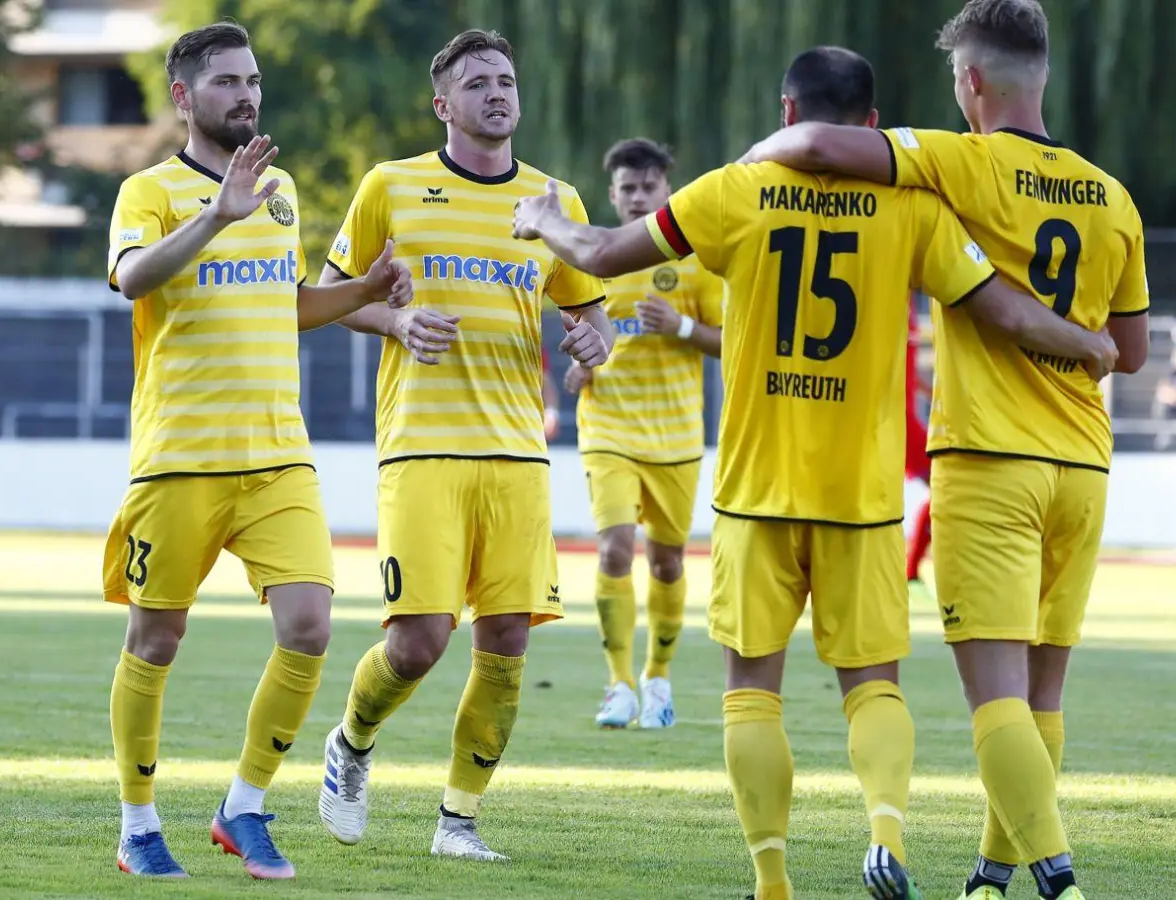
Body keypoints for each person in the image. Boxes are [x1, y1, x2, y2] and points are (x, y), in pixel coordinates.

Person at [514, 45, 1116, 900]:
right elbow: (1002, 308)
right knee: (872, 685)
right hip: (862, 498)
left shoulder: (735, 190)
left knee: (751, 689)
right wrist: (1088, 343)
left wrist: (545, 220)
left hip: (757, 489)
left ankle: (772, 880)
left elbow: (607, 251)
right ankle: (886, 834)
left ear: (788, 117)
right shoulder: (909, 208)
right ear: (871, 126)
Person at [739, 3, 1150, 898]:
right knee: (1042, 698)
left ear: (971, 82)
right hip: (1082, 462)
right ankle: (990, 880)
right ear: (1041, 74)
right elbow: (1134, 349)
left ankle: (1060, 883)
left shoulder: (960, 159)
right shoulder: (1112, 195)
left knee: (995, 698)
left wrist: (755, 157)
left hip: (991, 461)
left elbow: (818, 147)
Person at [100, 22, 412, 881]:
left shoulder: (280, 190)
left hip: (277, 455)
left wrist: (367, 290)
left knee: (310, 627)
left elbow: (289, 303)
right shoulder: (148, 190)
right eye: (229, 81)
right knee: (155, 639)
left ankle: (244, 805)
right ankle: (137, 824)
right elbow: (131, 278)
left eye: (254, 80)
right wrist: (213, 215)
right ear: (183, 97)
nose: (247, 94)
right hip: (178, 458)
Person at [317, 28, 613, 862]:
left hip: (519, 453)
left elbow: (589, 311)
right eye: (478, 82)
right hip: (420, 448)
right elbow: (334, 296)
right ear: (444, 104)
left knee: (507, 643)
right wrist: (400, 318)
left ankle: (458, 822)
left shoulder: (557, 200)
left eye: (507, 80)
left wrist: (595, 344)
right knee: (418, 642)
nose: (498, 92)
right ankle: (351, 742)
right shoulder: (392, 187)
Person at [571, 138, 724, 731]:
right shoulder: (594, 262)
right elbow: (580, 334)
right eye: (628, 189)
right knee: (613, 548)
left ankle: (659, 677)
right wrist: (579, 364)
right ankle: (619, 684)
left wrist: (683, 324)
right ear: (613, 195)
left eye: (648, 187)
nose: (638, 197)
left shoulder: (694, 262)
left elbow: (734, 339)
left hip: (678, 439)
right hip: (607, 427)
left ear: (667, 192)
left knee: (665, 563)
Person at [905, 297, 933, 584]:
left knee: (943, 491)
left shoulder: (907, 308)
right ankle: (910, 570)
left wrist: (933, 392)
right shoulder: (891, 298)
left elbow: (909, 374)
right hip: (898, 423)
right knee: (944, 489)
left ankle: (912, 570)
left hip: (906, 420)